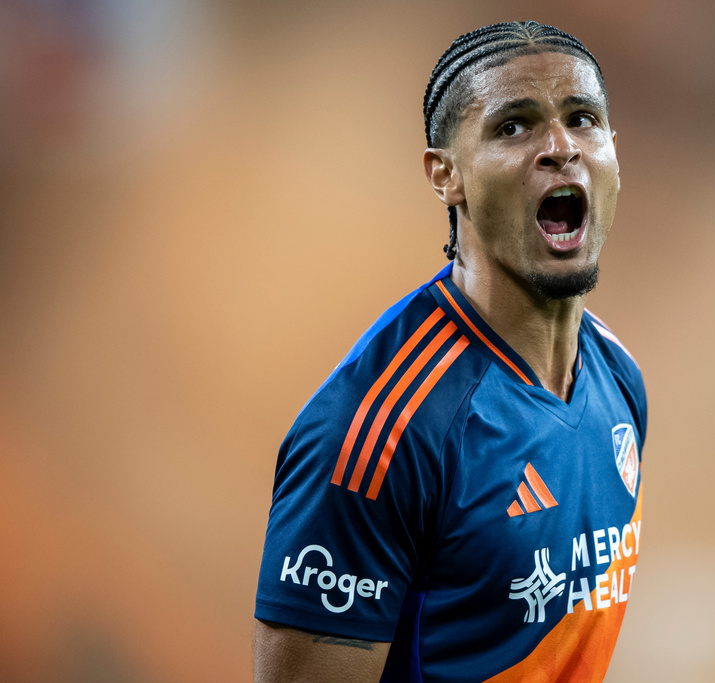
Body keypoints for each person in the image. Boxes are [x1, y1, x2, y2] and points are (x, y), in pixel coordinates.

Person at [252, 20, 646, 682]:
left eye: (582, 119)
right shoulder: (378, 429)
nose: (560, 147)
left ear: (613, 151)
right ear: (446, 175)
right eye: (513, 126)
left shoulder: (619, 378)